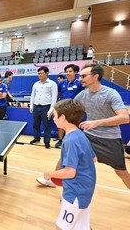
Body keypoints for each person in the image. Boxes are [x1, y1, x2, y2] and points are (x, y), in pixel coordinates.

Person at [38, 64, 130, 189]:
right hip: (89, 136)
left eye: (83, 76)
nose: (80, 78)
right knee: (66, 156)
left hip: (109, 139)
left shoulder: (110, 94)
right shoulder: (83, 95)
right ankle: (54, 179)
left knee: (121, 172)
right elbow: (69, 108)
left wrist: (96, 122)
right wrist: (54, 111)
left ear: (95, 76)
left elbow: (124, 118)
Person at [43, 99, 96, 230]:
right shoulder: (80, 134)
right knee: (82, 226)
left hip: (75, 193)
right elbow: (94, 158)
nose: (54, 118)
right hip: (86, 189)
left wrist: (50, 174)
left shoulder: (70, 140)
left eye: (55, 115)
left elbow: (70, 172)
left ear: (63, 118)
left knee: (62, 227)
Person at [55, 64, 85, 148]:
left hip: (74, 108)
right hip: (62, 108)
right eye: (67, 71)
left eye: (70, 71)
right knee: (61, 124)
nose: (68, 73)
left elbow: (83, 95)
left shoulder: (80, 84)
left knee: (73, 125)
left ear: (75, 72)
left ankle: (73, 141)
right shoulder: (61, 83)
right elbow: (59, 94)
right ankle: (60, 140)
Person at [29, 66, 58, 149]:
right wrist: (31, 106)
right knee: (36, 124)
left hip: (46, 107)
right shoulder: (35, 84)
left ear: (47, 73)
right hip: (36, 107)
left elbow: (54, 97)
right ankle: (36, 138)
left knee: (47, 125)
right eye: (38, 73)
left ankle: (47, 141)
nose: (39, 75)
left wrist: (51, 109)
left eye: (41, 73)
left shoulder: (52, 84)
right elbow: (32, 95)